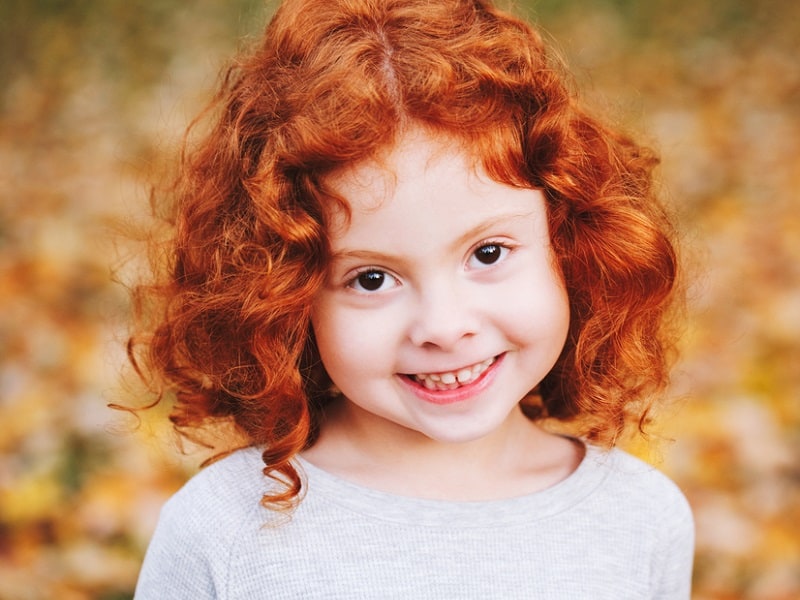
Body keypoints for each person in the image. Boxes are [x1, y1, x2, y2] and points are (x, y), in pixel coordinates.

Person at [129, 0, 694, 597]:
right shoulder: (225, 530)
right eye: (371, 279)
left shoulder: (640, 520)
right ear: (284, 298)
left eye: (489, 253)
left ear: (572, 244)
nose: (444, 327)